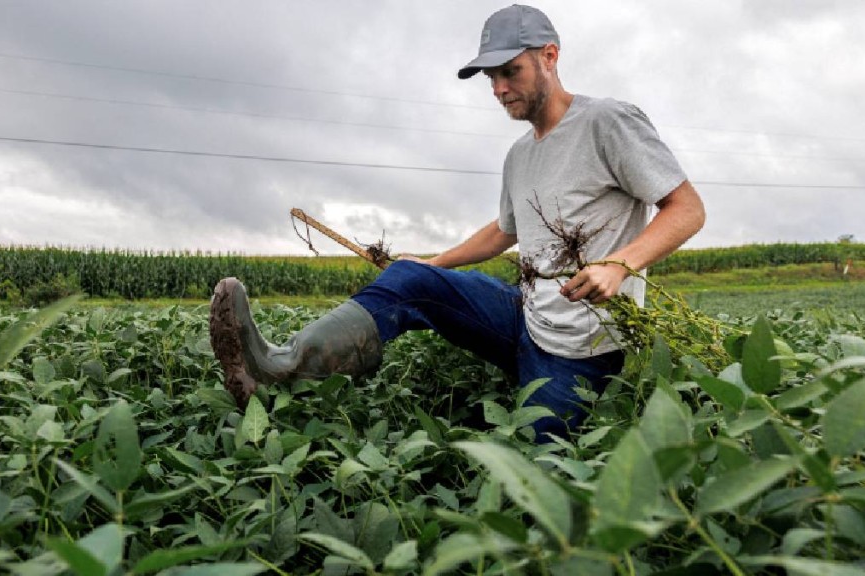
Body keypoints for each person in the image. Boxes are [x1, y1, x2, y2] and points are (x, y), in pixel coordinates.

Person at [210, 4, 705, 443]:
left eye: (510, 72)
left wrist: (619, 264)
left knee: (541, 456)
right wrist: (434, 263)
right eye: (491, 77)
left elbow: (686, 208)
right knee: (409, 280)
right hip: (524, 317)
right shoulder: (520, 153)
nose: (499, 89)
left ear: (549, 57)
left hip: (581, 351)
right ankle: (279, 367)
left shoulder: (607, 122)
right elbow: (505, 230)